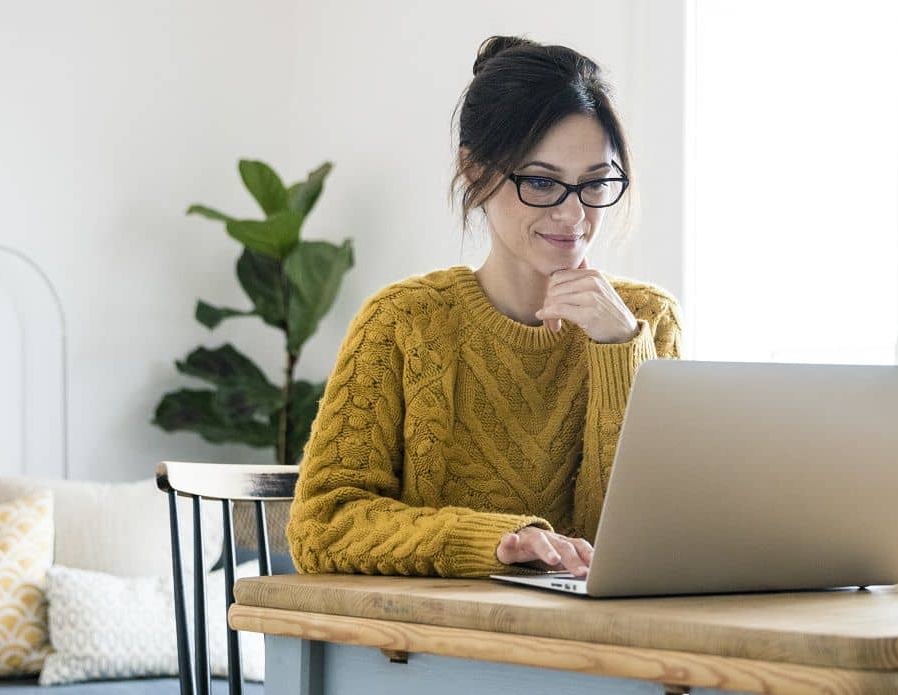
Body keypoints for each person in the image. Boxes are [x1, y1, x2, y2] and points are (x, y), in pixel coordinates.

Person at [286, 35, 681, 579]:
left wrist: (619, 354)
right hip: (428, 643)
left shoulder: (647, 323)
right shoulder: (404, 322)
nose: (573, 215)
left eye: (595, 184)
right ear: (475, 172)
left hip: (603, 641)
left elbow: (653, 539)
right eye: (542, 183)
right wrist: (495, 542)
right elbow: (322, 525)